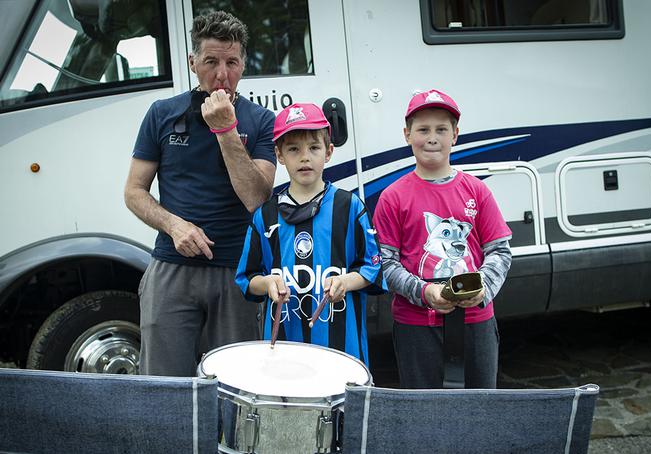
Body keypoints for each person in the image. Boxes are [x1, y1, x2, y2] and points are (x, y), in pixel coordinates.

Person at [124, 11, 277, 376]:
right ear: (193, 62)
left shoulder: (261, 121)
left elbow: (257, 198)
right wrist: (174, 226)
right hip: (171, 267)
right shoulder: (162, 113)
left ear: (243, 65)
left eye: (232, 62)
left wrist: (226, 131)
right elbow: (133, 192)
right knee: (164, 382)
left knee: (236, 383)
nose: (222, 74)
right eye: (211, 61)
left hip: (238, 271)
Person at [372, 89, 512, 389]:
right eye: (423, 130)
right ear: (407, 134)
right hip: (417, 326)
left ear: (455, 135)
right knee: (426, 414)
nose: (432, 138)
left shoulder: (477, 191)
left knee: (480, 408)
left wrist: (483, 287)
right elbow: (386, 264)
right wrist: (425, 293)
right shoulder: (392, 197)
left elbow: (499, 251)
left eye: (441, 129)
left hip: (476, 321)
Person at [235, 103, 386, 365]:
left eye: (314, 148)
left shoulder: (349, 207)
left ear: (328, 152)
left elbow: (372, 268)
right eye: (294, 149)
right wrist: (269, 283)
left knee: (343, 406)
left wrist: (345, 282)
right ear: (279, 155)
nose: (305, 157)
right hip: (284, 350)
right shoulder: (265, 215)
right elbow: (247, 279)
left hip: (343, 352)